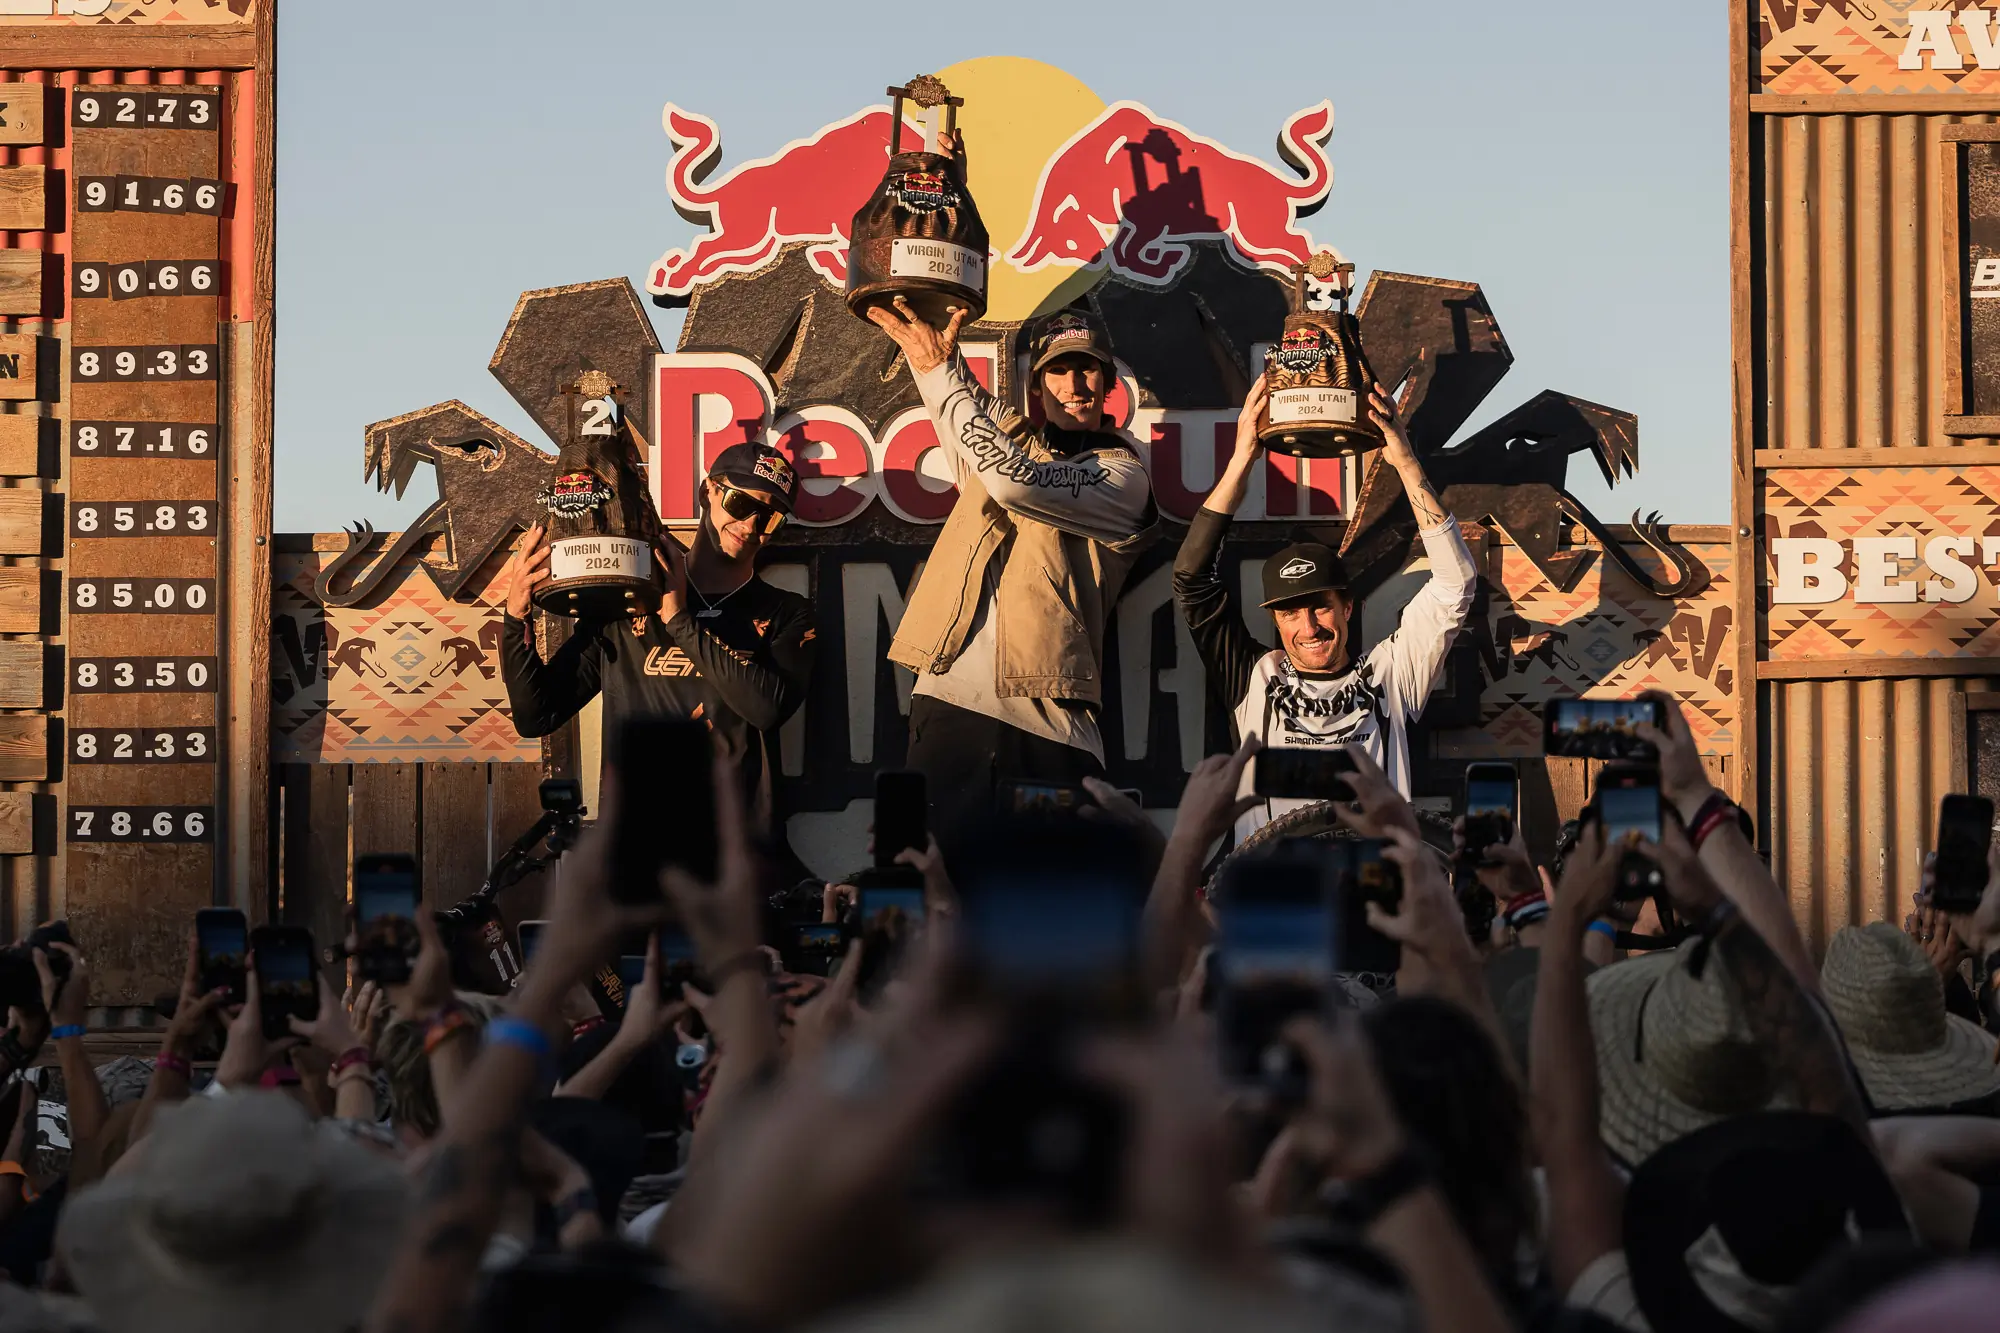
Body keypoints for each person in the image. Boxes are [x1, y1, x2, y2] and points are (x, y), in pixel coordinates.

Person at [866, 299, 1157, 845]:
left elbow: (1012, 481)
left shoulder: (1124, 475)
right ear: (1037, 387)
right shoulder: (1005, 439)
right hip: (949, 705)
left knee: (1044, 917)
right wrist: (930, 357)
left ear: (1110, 383)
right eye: (1059, 369)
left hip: (1051, 724)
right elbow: (958, 406)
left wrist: (940, 373)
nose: (1075, 383)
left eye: (1088, 367)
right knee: (928, 899)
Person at [1174, 376, 1476, 841]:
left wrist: (1405, 462)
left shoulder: (1391, 674)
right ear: (1275, 619)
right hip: (1277, 893)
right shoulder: (1254, 676)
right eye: (1290, 613)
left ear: (1348, 606)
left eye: (1319, 608)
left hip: (1375, 893)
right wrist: (1242, 460)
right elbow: (1191, 580)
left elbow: (1455, 583)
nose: (1309, 627)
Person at [497, 441, 815, 829]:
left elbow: (767, 709)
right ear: (707, 492)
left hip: (734, 859)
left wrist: (679, 619)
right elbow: (537, 716)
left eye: (770, 517)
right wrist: (515, 616)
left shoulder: (788, 612)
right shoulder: (629, 595)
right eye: (740, 503)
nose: (750, 525)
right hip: (636, 852)